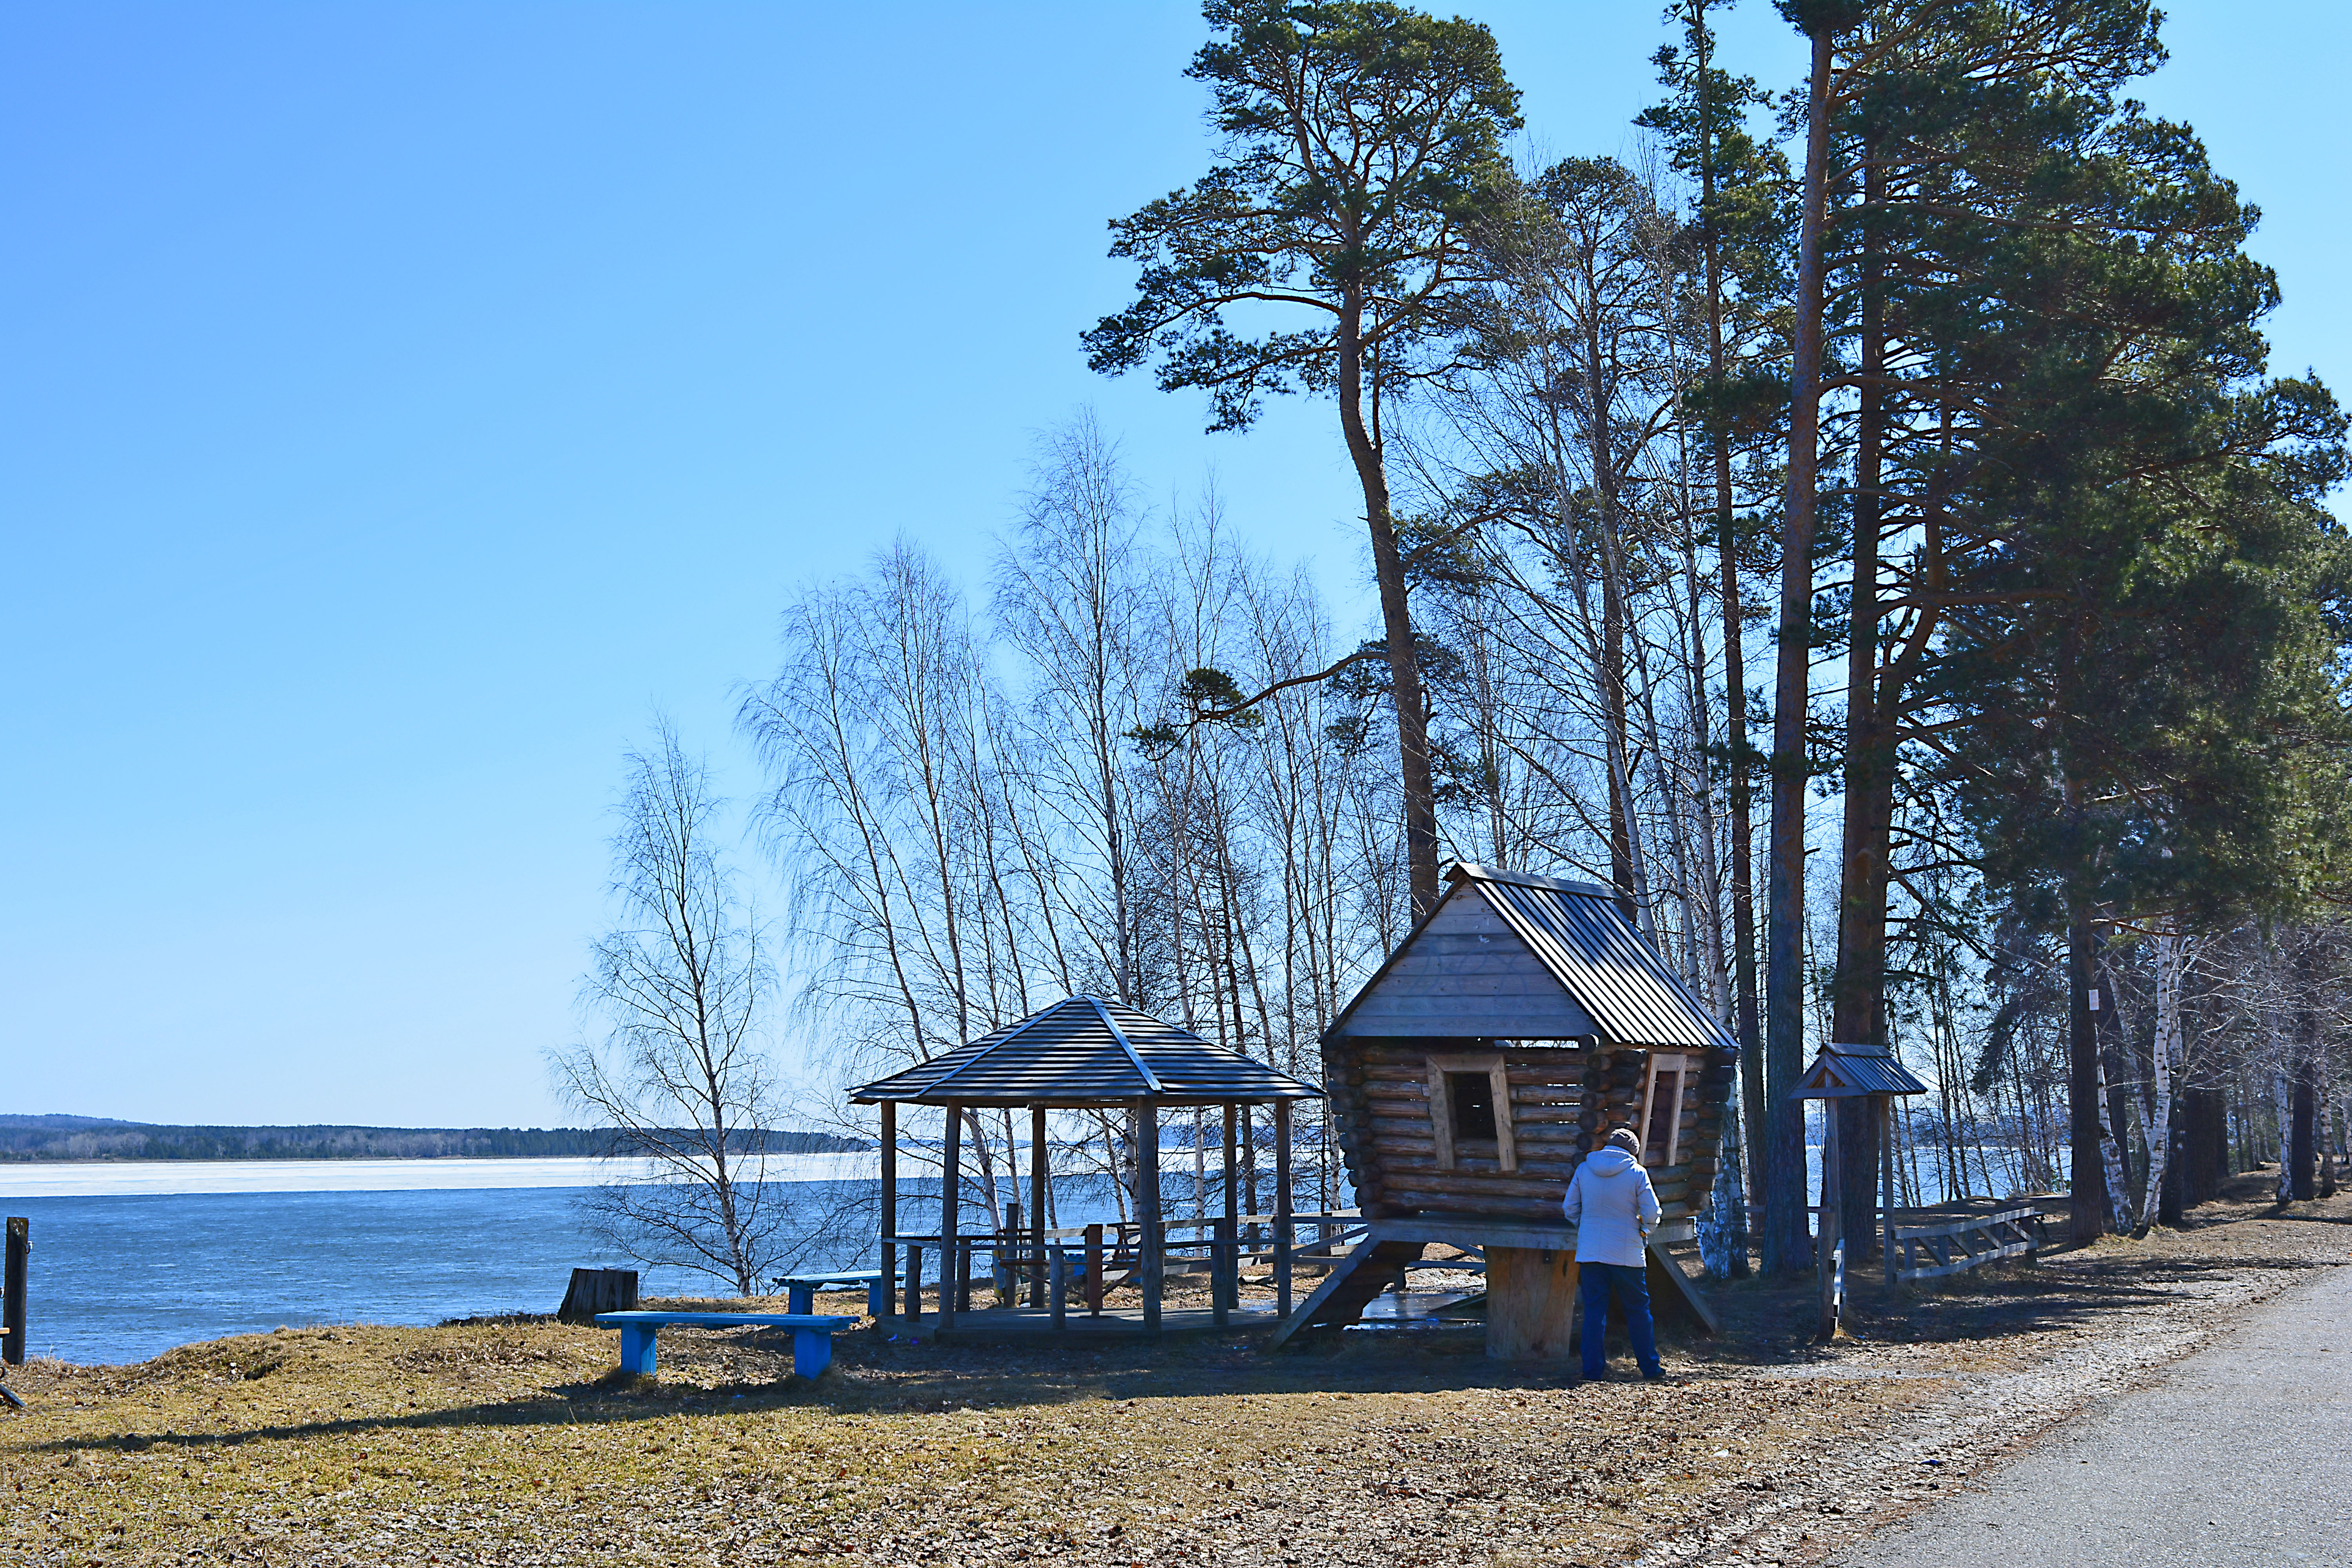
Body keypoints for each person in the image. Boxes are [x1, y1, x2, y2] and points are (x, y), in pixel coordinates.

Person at [1560, 1125, 1664, 1381]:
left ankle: (1593, 1370)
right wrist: (1644, 1230)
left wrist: (1585, 1227)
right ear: (1633, 1152)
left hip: (1590, 1252)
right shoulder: (1636, 1173)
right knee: (1638, 1311)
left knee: (1595, 1311)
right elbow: (1652, 1213)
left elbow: (1570, 1208)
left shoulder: (1585, 1169)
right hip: (1627, 1252)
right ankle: (1650, 1368)